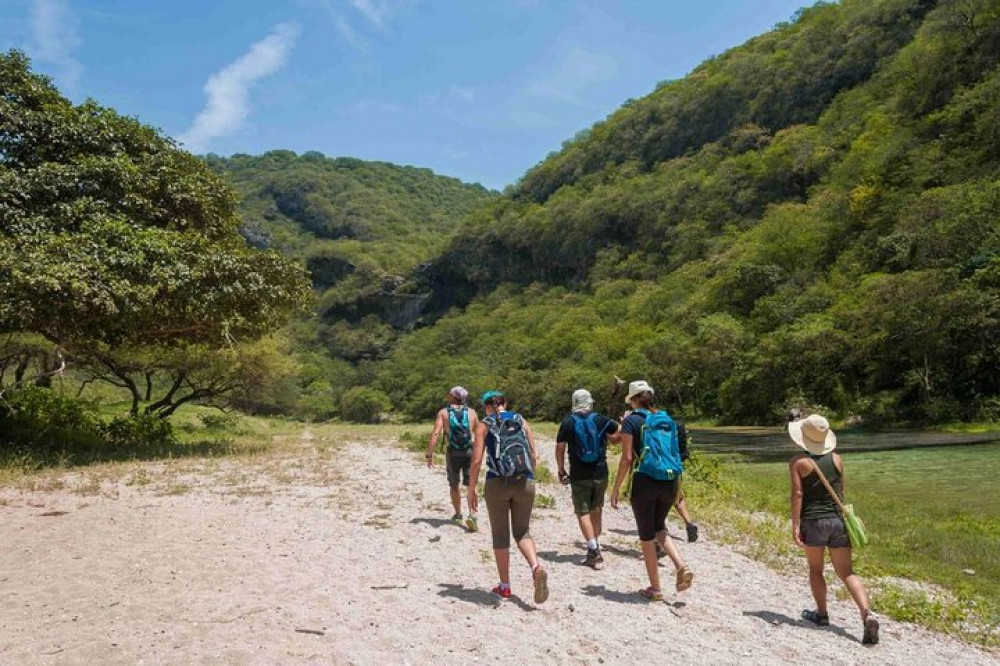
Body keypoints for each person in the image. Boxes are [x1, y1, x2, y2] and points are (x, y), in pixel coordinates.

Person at [789, 414, 880, 645]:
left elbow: (798, 494)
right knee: (847, 571)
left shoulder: (798, 462)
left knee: (816, 568)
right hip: (838, 521)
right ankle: (867, 613)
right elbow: (840, 492)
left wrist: (795, 524)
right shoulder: (838, 459)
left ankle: (821, 614)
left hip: (813, 521)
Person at [610, 380, 693, 601]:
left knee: (646, 535)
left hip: (645, 480)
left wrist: (616, 487)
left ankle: (655, 588)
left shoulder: (632, 421)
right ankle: (680, 566)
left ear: (633, 400)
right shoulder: (667, 420)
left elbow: (627, 458)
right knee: (659, 527)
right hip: (669, 480)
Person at [468, 390, 549, 603]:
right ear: (505, 402)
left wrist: (471, 488)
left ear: (486, 406)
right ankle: (536, 566)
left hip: (497, 482)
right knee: (522, 531)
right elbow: (533, 454)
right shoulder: (520, 420)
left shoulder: (484, 424)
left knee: (501, 536)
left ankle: (505, 586)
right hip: (525, 481)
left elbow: (476, 461)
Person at [556, 388, 620, 568]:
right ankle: (595, 543)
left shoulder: (568, 421)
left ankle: (592, 548)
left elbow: (560, 447)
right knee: (597, 508)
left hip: (579, 473)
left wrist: (561, 469)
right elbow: (619, 433)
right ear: (589, 402)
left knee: (582, 511)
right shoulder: (600, 419)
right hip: (601, 471)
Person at [427, 386, 481, 532]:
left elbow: (436, 433)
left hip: (453, 452)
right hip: (469, 451)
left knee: (454, 484)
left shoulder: (444, 413)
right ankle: (472, 515)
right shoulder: (472, 413)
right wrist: (478, 453)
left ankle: (458, 514)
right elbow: (478, 434)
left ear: (453, 397)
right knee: (471, 485)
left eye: (449, 394)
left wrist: (429, 454)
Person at [670, 417, 700, 543]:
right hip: (675, 466)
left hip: (656, 468)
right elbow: (683, 450)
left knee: (657, 500)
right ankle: (689, 524)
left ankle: (659, 535)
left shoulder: (649, 424)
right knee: (678, 498)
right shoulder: (677, 425)